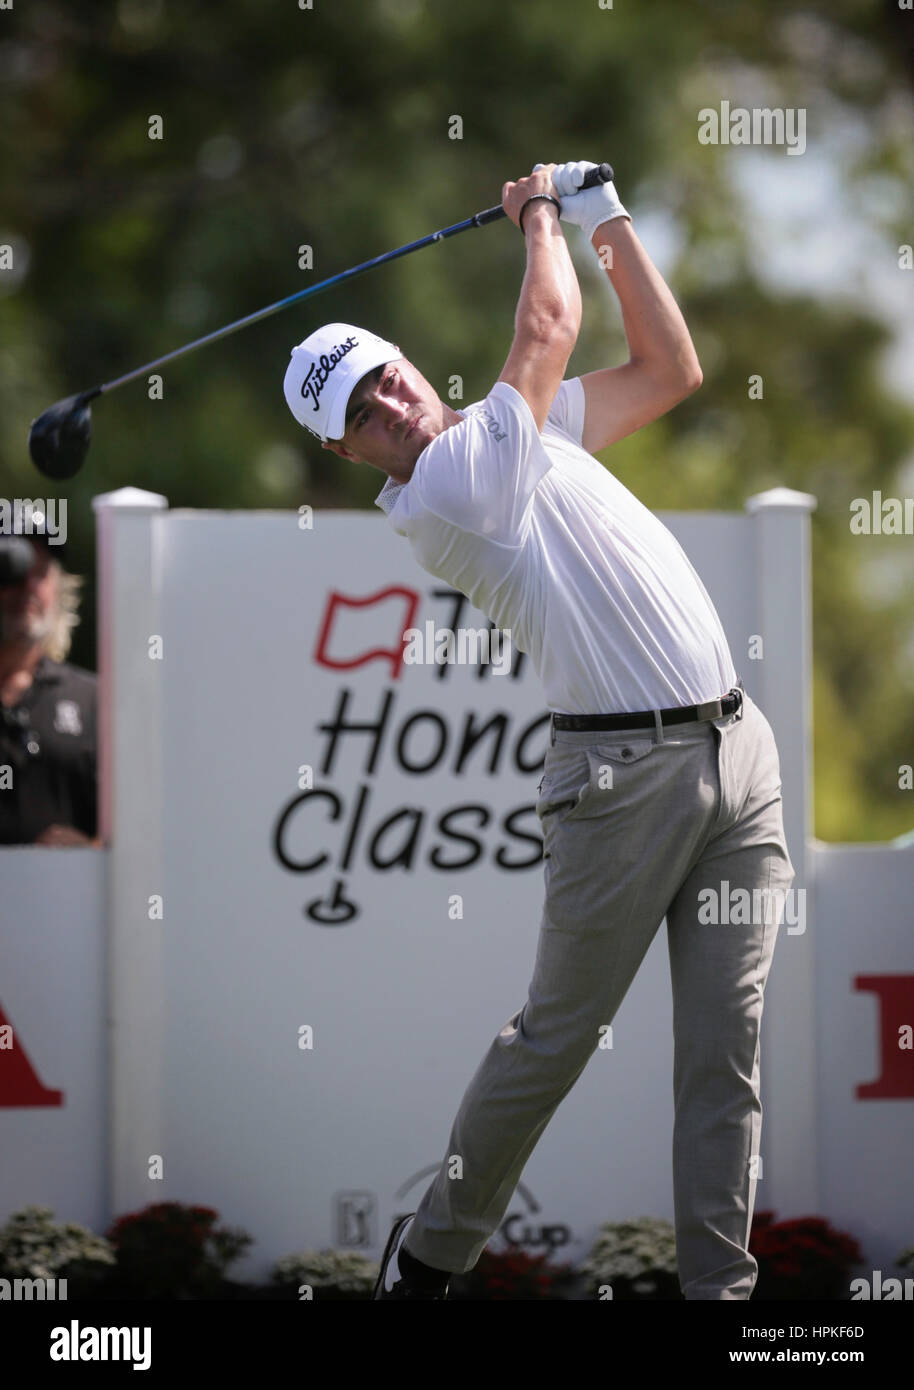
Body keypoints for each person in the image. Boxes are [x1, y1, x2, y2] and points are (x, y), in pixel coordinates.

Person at [282, 160, 794, 1300]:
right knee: (552, 1040)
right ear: (347, 452)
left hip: (735, 751)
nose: (388, 408)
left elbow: (670, 369)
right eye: (359, 416)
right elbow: (550, 320)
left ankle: (721, 1296)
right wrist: (539, 215)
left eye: (384, 380)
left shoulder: (519, 433)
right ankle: (429, 1257)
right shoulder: (451, 485)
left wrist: (606, 217)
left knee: (726, 1053)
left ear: (406, 360)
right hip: (616, 778)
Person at [0, 515, 99, 847]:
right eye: (11, 568)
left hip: (63, 898)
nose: (28, 585)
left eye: (41, 571)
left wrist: (88, 855)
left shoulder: (96, 703)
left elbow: (140, 830)